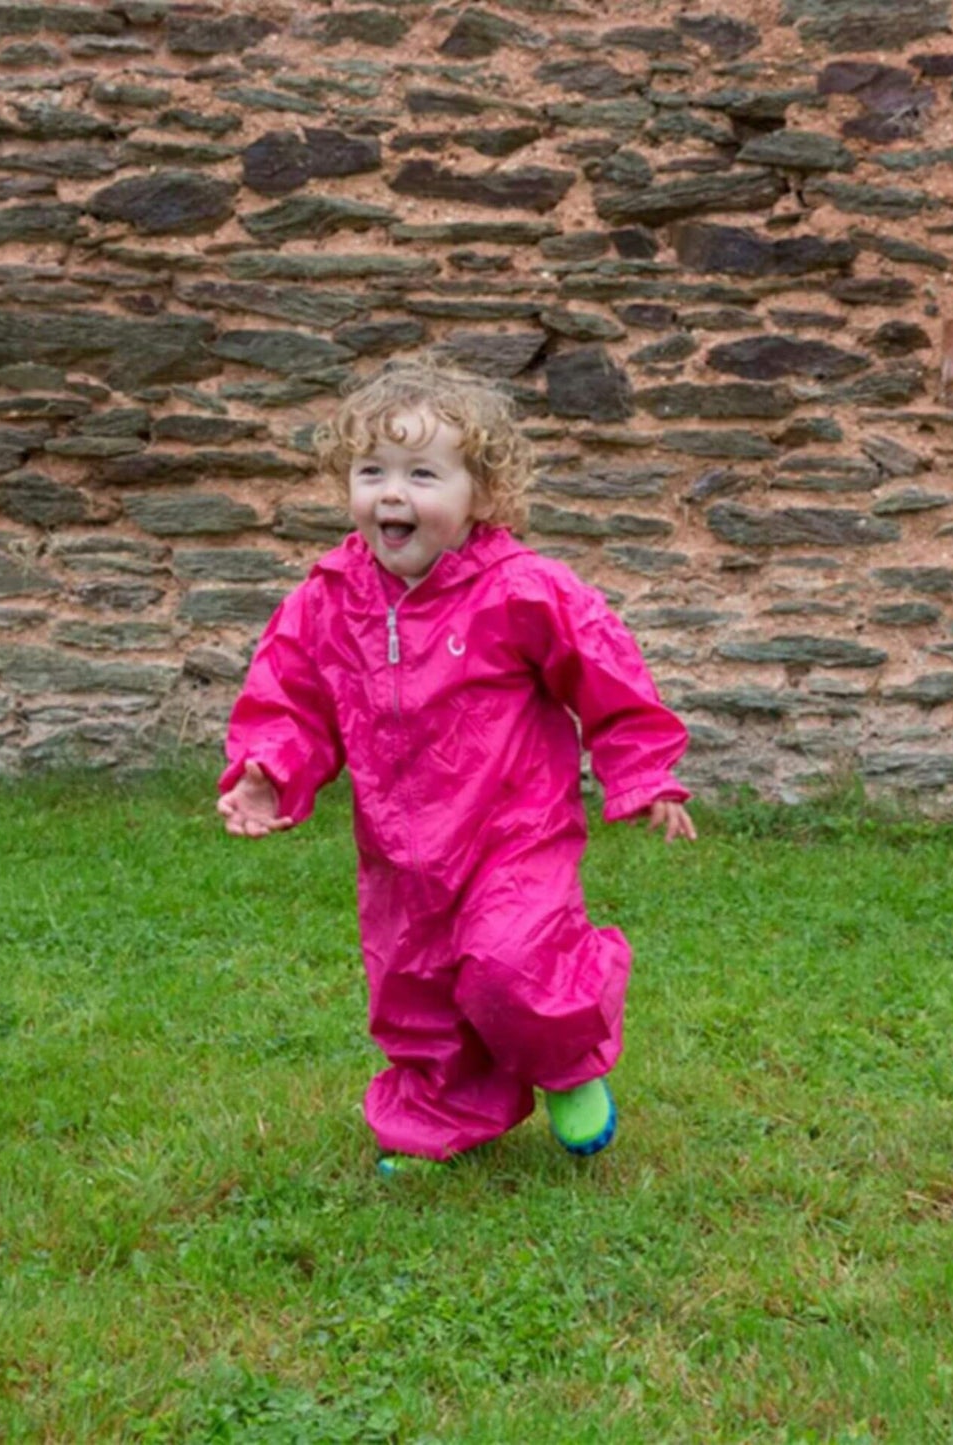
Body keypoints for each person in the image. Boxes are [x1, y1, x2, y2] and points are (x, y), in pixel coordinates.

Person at [217, 356, 695, 1176]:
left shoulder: (523, 590)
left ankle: (567, 1061)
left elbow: (605, 672)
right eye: (372, 473)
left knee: (513, 963)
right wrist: (267, 770)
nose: (391, 493)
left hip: (514, 829)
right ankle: (436, 1119)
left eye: (422, 474)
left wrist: (641, 770)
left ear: (484, 496)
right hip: (401, 850)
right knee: (416, 992)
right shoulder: (327, 599)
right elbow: (291, 697)